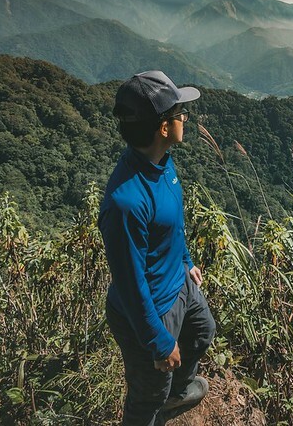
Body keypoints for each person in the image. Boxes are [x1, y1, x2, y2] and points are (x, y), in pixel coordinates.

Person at [98, 70, 216, 426]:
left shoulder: (161, 161)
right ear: (164, 128)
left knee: (202, 332)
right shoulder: (126, 203)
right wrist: (158, 341)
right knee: (148, 394)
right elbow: (131, 286)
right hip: (150, 308)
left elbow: (171, 223)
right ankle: (158, 403)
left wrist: (186, 260)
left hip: (178, 282)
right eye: (181, 114)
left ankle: (175, 394)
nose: (185, 119)